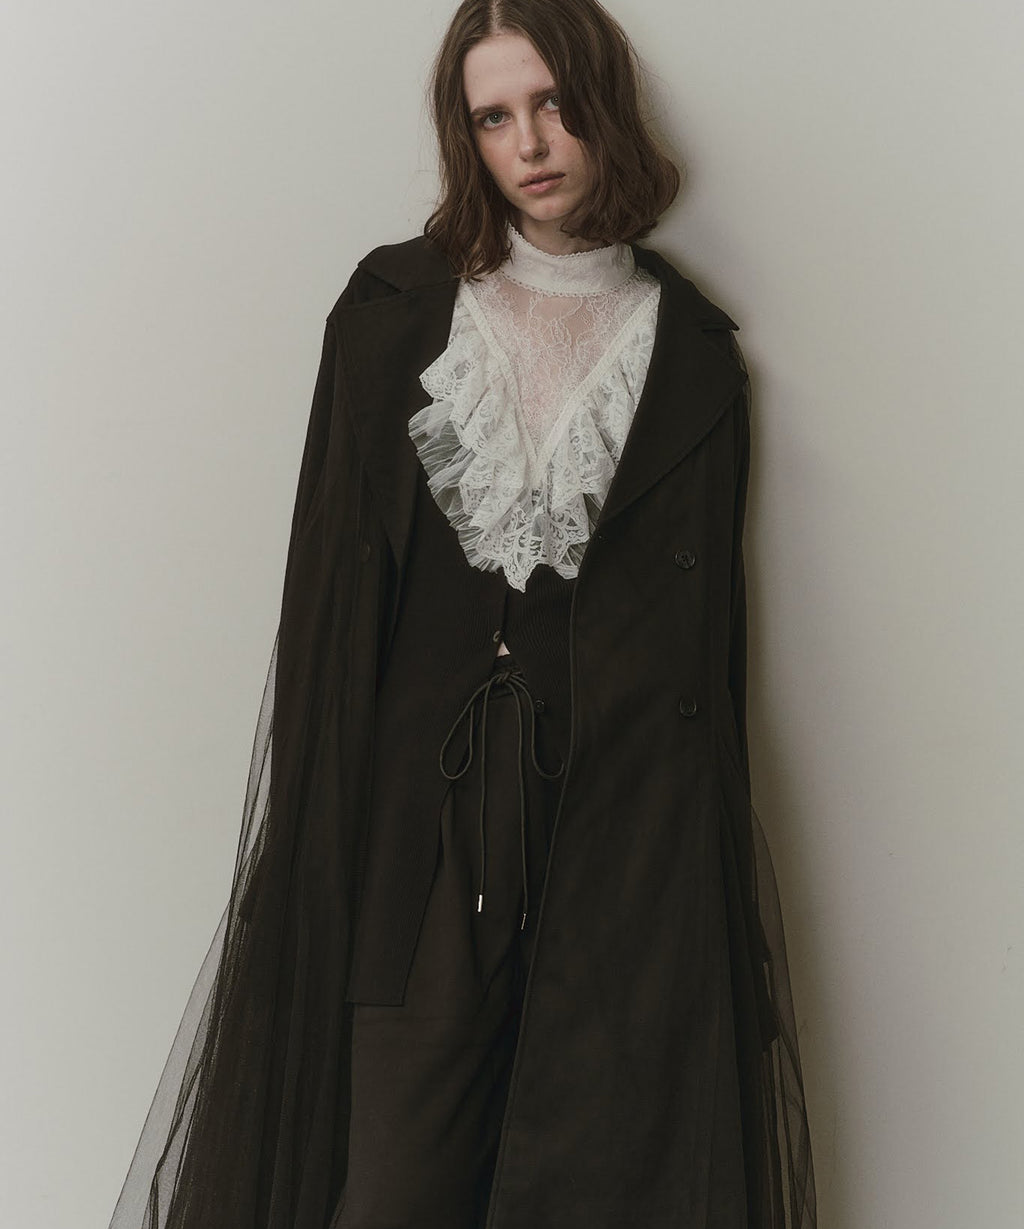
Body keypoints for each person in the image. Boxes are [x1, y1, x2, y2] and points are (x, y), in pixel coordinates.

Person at [109, 2, 816, 1227]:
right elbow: (327, 617)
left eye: (552, 104)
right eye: (493, 117)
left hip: (621, 841)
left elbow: (704, 662)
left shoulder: (696, 356)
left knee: (593, 1184)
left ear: (601, 107)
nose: (529, 143)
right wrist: (321, 855)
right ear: (465, 136)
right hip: (419, 832)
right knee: (393, 1182)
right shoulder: (390, 315)